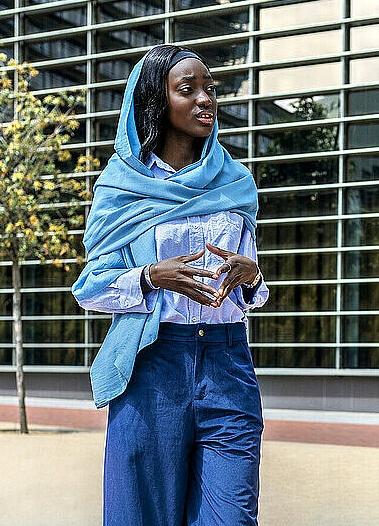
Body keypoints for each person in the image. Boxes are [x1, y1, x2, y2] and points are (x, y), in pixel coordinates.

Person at [72, 44, 269, 526]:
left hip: (228, 365)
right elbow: (90, 286)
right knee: (143, 516)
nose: (206, 99)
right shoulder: (120, 187)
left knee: (232, 517)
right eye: (189, 90)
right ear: (156, 101)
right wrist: (149, 276)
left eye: (211, 89)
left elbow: (250, 285)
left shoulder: (236, 181)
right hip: (152, 369)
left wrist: (252, 275)